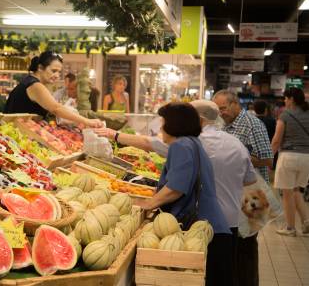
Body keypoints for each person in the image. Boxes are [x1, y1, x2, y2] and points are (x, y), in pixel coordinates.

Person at [95, 100, 257, 285]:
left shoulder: (182, 145)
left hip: (201, 224)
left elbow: (176, 189)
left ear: (174, 125)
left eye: (164, 123)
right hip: (216, 224)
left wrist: (147, 204)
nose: (161, 128)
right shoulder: (193, 142)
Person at [213, 89, 273, 286]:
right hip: (232, 195)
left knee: (247, 245)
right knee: (234, 245)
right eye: (218, 109)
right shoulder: (223, 125)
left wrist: (239, 159)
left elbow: (267, 158)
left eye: (223, 108)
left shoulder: (253, 124)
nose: (220, 112)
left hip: (252, 196)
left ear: (235, 104)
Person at [3, 51, 103, 128]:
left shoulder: (31, 82)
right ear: (40, 68)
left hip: (18, 130)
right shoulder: (35, 85)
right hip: (13, 132)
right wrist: (87, 121)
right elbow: (56, 108)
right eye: (53, 71)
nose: (57, 75)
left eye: (59, 72)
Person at [271, 87, 309, 236]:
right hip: (307, 158)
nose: (285, 101)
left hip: (289, 157)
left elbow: (276, 140)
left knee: (287, 194)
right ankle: (306, 223)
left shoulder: (285, 115)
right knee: (296, 191)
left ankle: (290, 228)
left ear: (291, 99)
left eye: (286, 98)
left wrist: (268, 156)